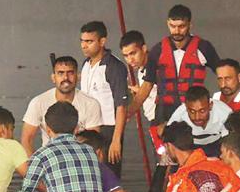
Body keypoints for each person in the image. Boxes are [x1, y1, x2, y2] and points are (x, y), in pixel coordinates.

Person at [130, 4, 221, 126]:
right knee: (162, 145)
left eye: (181, 26)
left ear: (190, 24)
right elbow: (147, 85)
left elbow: (223, 73)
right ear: (167, 23)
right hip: (164, 113)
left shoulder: (203, 48)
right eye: (173, 26)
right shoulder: (158, 50)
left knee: (196, 145)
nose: (177, 31)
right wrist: (129, 111)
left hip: (194, 112)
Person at [21, 55, 102, 156]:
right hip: (49, 159)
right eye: (60, 73)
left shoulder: (91, 104)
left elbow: (93, 143)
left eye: (70, 73)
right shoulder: (38, 102)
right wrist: (37, 165)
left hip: (79, 160)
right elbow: (26, 140)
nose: (65, 78)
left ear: (78, 77)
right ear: (53, 78)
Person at [80, 21, 129, 177]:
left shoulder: (114, 67)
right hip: (87, 130)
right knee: (89, 177)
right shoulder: (85, 65)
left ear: (102, 41)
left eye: (89, 41)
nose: (84, 45)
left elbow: (121, 106)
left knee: (109, 179)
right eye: (82, 41)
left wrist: (116, 140)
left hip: (108, 131)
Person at [164, 85, 232, 158]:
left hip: (218, 144)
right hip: (192, 146)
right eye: (192, 111)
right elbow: (169, 139)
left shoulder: (224, 113)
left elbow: (230, 141)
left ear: (210, 106)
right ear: (186, 107)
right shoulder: (179, 115)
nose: (197, 117)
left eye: (202, 111)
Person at [120, 30, 157, 124]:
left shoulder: (155, 65)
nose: (130, 60)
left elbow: (148, 87)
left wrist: (127, 113)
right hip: (156, 121)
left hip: (165, 121)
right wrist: (138, 90)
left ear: (144, 48)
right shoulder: (141, 69)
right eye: (126, 56)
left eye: (133, 53)